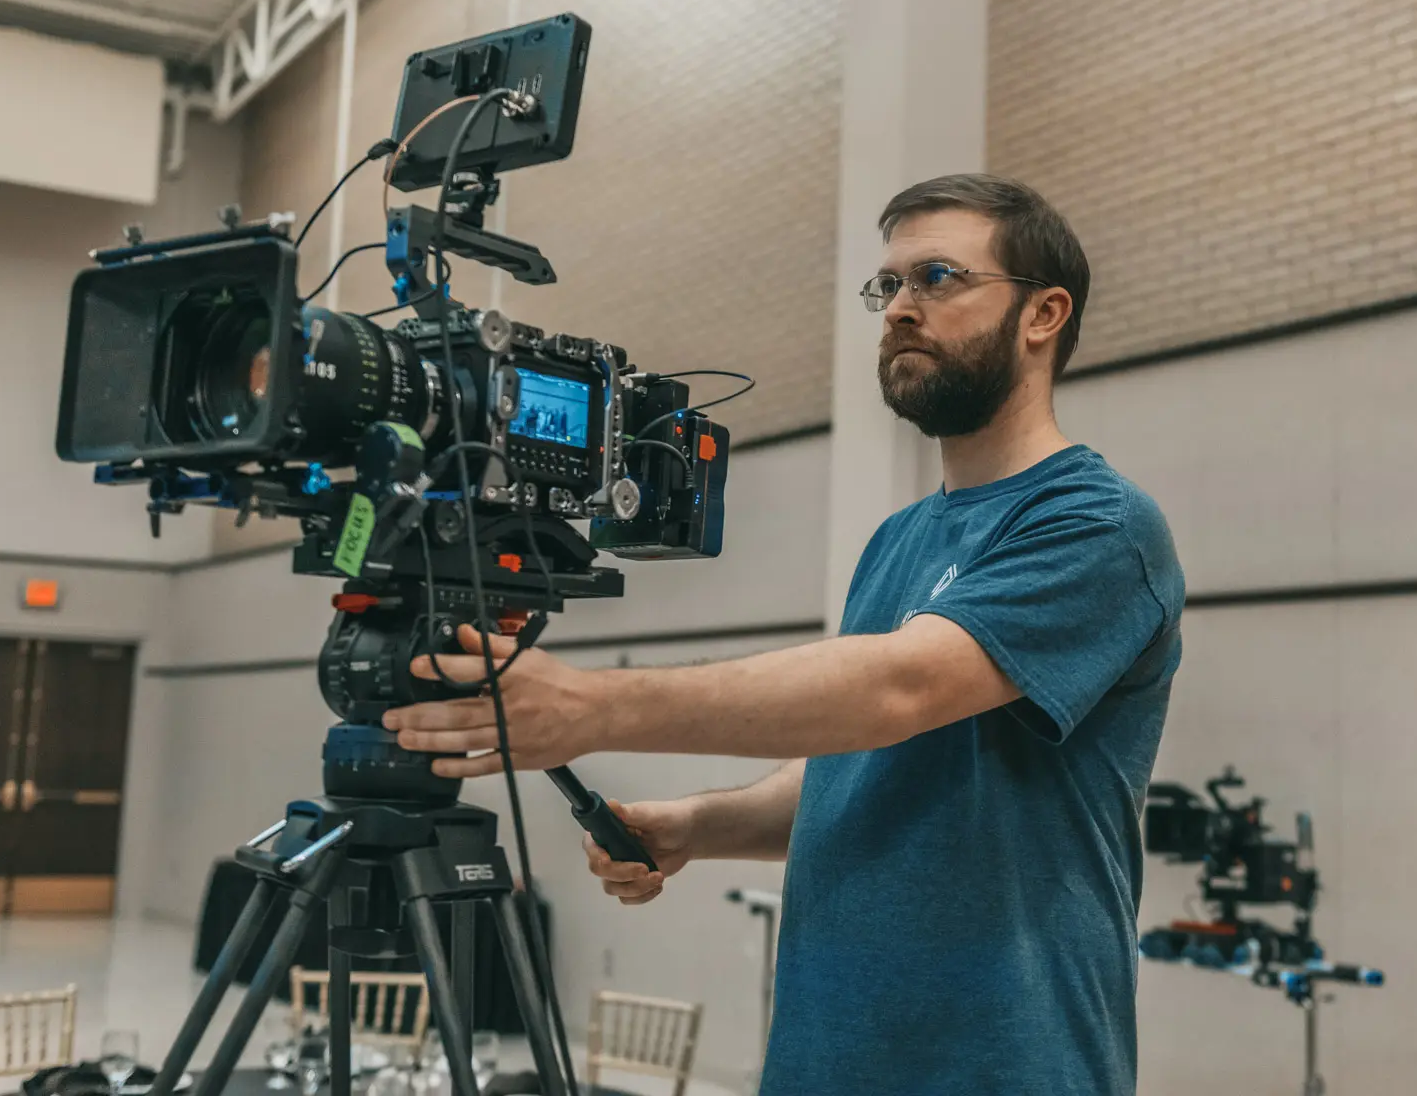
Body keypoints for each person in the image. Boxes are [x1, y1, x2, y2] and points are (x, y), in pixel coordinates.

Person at [383, 173, 1186, 1095]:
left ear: (1044, 314)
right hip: (825, 1062)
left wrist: (592, 707)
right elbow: (868, 764)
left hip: (1002, 1067)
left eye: (937, 278)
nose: (900, 310)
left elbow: (899, 691)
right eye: (888, 287)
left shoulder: (1100, 525)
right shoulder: (903, 538)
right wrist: (699, 824)